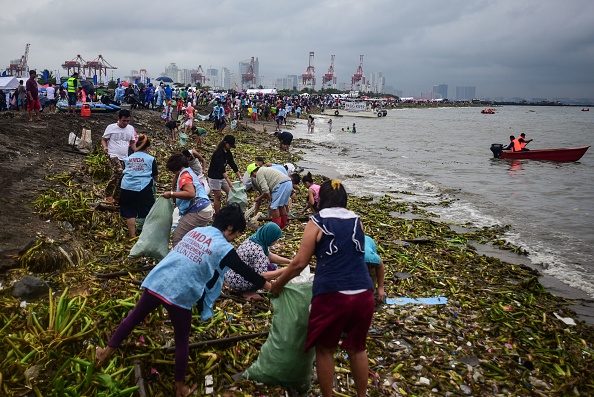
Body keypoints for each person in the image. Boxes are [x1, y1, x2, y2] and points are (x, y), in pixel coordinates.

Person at [96, 204, 272, 397]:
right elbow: (243, 270)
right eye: (236, 234)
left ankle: (105, 353)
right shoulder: (224, 247)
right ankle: (179, 389)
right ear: (230, 228)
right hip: (180, 292)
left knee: (133, 317)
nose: (234, 238)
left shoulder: (197, 231)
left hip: (159, 280)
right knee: (182, 341)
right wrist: (270, 286)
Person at [271, 179, 375, 397]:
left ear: (321, 200)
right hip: (363, 293)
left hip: (332, 295)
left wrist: (278, 285)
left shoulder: (317, 222)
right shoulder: (357, 221)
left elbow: (300, 263)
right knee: (358, 348)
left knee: (326, 349)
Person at [224, 222, 289, 300]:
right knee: (273, 270)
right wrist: (286, 270)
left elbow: (269, 255)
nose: (276, 242)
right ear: (270, 236)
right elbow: (263, 276)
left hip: (231, 274)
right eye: (275, 239)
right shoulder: (257, 250)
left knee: (273, 267)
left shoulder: (257, 238)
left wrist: (290, 262)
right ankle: (247, 292)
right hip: (238, 280)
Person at [162, 153, 214, 247]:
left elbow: (190, 193)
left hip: (198, 211)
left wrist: (171, 194)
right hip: (205, 208)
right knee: (193, 237)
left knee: (177, 237)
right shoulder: (189, 172)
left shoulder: (184, 176)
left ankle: (181, 259)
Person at [119, 134, 158, 238]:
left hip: (126, 187)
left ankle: (132, 235)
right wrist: (154, 183)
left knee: (129, 211)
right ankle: (145, 235)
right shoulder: (150, 159)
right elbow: (155, 175)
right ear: (148, 148)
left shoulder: (128, 158)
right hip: (143, 187)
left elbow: (125, 171)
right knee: (147, 210)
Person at [101, 109, 137, 204]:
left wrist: (137, 152)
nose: (126, 123)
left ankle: (117, 197)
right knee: (118, 171)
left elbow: (132, 142)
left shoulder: (130, 129)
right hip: (113, 154)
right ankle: (107, 194)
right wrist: (105, 147)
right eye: (124, 120)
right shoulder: (111, 127)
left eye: (127, 121)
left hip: (124, 156)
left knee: (123, 176)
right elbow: (104, 140)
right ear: (119, 119)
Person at [207, 135, 242, 214]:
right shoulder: (218, 154)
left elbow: (232, 164)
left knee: (230, 193)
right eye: (230, 145)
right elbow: (221, 168)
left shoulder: (228, 153)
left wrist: (239, 176)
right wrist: (229, 182)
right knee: (218, 196)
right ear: (225, 143)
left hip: (222, 177)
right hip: (214, 177)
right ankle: (217, 213)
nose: (230, 147)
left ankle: (227, 210)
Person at [364, 235, 386, 304]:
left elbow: (380, 265)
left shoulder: (370, 258)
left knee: (371, 276)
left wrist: (380, 287)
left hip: (368, 244)